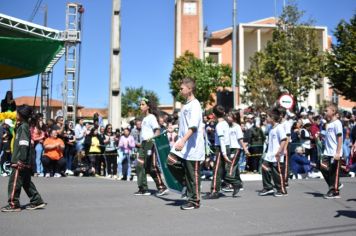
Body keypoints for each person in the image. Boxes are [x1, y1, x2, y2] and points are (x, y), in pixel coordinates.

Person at [167, 78, 205, 210]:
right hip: (182, 143)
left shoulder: (195, 105)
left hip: (192, 145)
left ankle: (194, 201)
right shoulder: (185, 105)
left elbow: (193, 127)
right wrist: (175, 129)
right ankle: (186, 185)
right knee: (170, 161)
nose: (180, 90)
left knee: (192, 173)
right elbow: (184, 124)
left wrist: (183, 141)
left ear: (190, 89)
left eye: (182, 88)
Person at [1, 105, 46, 212]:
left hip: (20, 160)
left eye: (17, 113)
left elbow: (24, 144)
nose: (16, 115)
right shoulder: (22, 126)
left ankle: (13, 204)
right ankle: (37, 201)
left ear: (21, 115)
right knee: (26, 182)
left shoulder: (24, 127)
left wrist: (20, 160)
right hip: (24, 160)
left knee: (14, 182)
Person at [204, 105, 240, 199]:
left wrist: (224, 153)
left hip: (221, 148)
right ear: (223, 113)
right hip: (226, 147)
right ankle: (236, 183)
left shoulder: (219, 125)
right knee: (222, 171)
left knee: (216, 170)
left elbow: (222, 140)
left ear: (214, 115)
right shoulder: (225, 123)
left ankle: (215, 191)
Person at [134, 97, 168, 196]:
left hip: (150, 143)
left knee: (151, 167)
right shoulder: (144, 119)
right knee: (139, 166)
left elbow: (157, 130)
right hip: (143, 144)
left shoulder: (151, 117)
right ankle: (143, 188)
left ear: (148, 106)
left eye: (143, 104)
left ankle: (162, 187)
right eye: (140, 104)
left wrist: (153, 140)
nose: (141, 106)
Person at [259, 107, 288, 197]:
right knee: (264, 167)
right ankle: (268, 187)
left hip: (277, 155)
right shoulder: (271, 128)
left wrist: (279, 152)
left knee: (277, 173)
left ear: (272, 118)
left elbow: (284, 139)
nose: (266, 118)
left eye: (267, 117)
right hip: (269, 155)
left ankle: (282, 190)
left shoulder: (279, 128)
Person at [320, 104, 343, 199]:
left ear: (333, 111)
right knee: (322, 167)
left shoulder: (337, 123)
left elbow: (340, 138)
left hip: (334, 152)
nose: (325, 112)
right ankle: (336, 184)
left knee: (334, 172)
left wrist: (338, 153)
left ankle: (334, 191)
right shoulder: (328, 124)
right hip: (327, 152)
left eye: (327, 110)